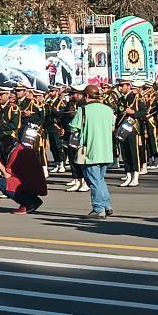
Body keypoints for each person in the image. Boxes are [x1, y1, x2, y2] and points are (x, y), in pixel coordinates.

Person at [69, 84, 116, 219]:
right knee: (100, 179)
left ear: (87, 96)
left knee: (93, 180)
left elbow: (74, 128)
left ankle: (98, 208)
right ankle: (107, 205)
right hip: (105, 150)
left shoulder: (83, 110)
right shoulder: (108, 109)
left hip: (90, 150)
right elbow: (112, 127)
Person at [0, 127, 47, 214]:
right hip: (36, 184)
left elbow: (7, 174)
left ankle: (28, 203)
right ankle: (34, 200)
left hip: (29, 185)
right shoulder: (27, 150)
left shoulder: (17, 151)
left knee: (3, 183)